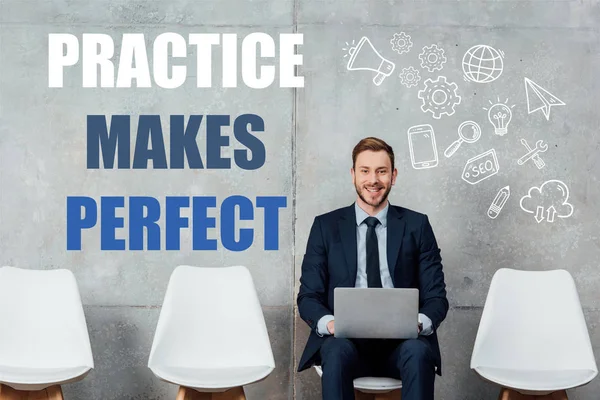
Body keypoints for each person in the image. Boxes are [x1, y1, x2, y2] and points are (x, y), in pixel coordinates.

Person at [296, 137, 448, 400]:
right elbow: (308, 297)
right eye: (365, 171)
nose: (373, 180)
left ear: (393, 175)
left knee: (419, 352)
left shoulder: (417, 225)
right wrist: (330, 324)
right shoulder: (325, 226)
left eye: (382, 171)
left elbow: (436, 298)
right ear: (353, 174)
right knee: (334, 350)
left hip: (402, 346)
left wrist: (418, 324)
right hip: (346, 345)